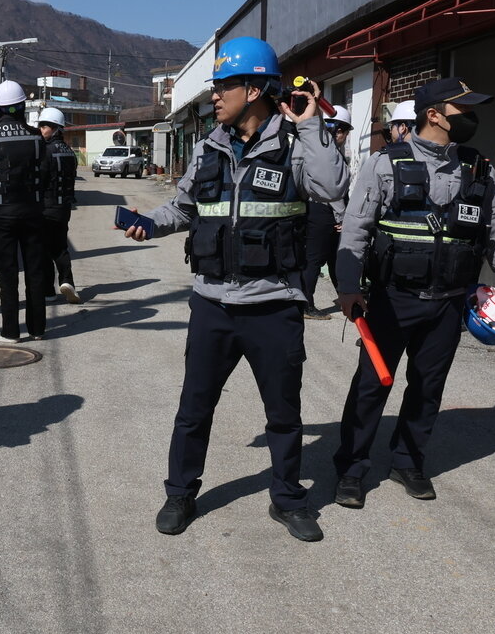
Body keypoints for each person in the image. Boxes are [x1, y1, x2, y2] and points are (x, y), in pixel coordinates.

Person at [124, 36, 348, 542]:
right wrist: (148, 224)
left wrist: (310, 123)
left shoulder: (294, 145)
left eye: (223, 87)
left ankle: (287, 499)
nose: (215, 97)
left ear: (253, 89)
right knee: (194, 408)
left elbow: (333, 189)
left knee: (283, 414)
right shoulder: (207, 148)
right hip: (212, 306)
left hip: (273, 308)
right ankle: (180, 493)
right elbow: (182, 209)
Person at [333, 78, 495, 509]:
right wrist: (347, 287)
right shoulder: (385, 164)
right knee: (370, 386)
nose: (473, 119)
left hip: (449, 302)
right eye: (464, 111)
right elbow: (356, 229)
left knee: (427, 387)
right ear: (434, 114)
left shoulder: (479, 168)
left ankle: (408, 461)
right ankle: (351, 467)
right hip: (392, 299)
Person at [0, 79, 51, 343]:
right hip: (33, 213)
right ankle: (38, 328)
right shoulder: (36, 137)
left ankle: (10, 331)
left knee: (7, 274)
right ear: (21, 105)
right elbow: (46, 173)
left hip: (1, 214)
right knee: (35, 272)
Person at [299, 104, 353, 321]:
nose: (345, 136)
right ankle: (305, 303)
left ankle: (344, 296)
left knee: (333, 257)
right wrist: (342, 216)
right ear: (336, 130)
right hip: (322, 211)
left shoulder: (322, 149)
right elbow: (331, 191)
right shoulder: (328, 154)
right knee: (314, 260)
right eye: (344, 131)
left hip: (321, 210)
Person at [38, 106, 81, 304]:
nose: (41, 129)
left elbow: (40, 179)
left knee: (45, 249)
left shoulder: (45, 151)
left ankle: (48, 290)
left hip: (47, 207)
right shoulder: (70, 152)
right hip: (64, 207)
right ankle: (67, 281)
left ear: (56, 128)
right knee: (61, 246)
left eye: (45, 126)